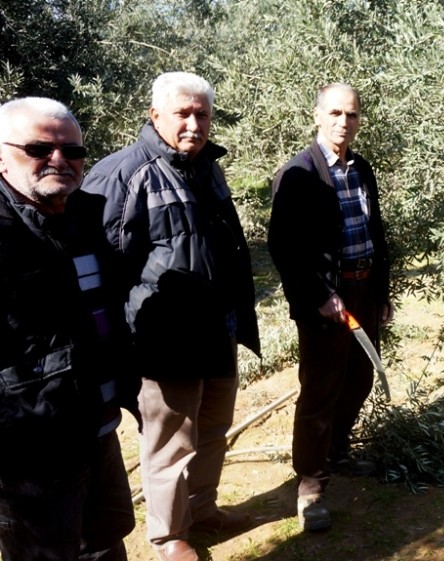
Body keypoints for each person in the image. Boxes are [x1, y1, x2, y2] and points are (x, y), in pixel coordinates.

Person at [83, 72, 260, 561]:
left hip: (216, 329)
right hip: (163, 339)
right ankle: (168, 535)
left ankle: (202, 510)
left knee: (212, 429)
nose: (194, 123)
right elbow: (102, 266)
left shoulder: (208, 168)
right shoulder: (122, 172)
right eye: (183, 113)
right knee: (170, 442)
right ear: (155, 114)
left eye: (202, 114)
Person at [0, 97, 135, 561]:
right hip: (32, 441)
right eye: (39, 148)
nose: (59, 159)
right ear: (1, 156)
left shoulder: (85, 216)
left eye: (73, 151)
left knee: (104, 538)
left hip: (97, 419)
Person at [268, 83, 393, 533]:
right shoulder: (299, 173)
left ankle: (337, 452)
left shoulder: (361, 169)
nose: (344, 122)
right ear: (318, 116)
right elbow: (283, 247)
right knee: (320, 389)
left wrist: (382, 292)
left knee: (359, 378)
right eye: (336, 113)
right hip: (326, 300)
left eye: (352, 114)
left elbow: (375, 234)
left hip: (362, 293)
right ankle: (311, 483)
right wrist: (319, 297)